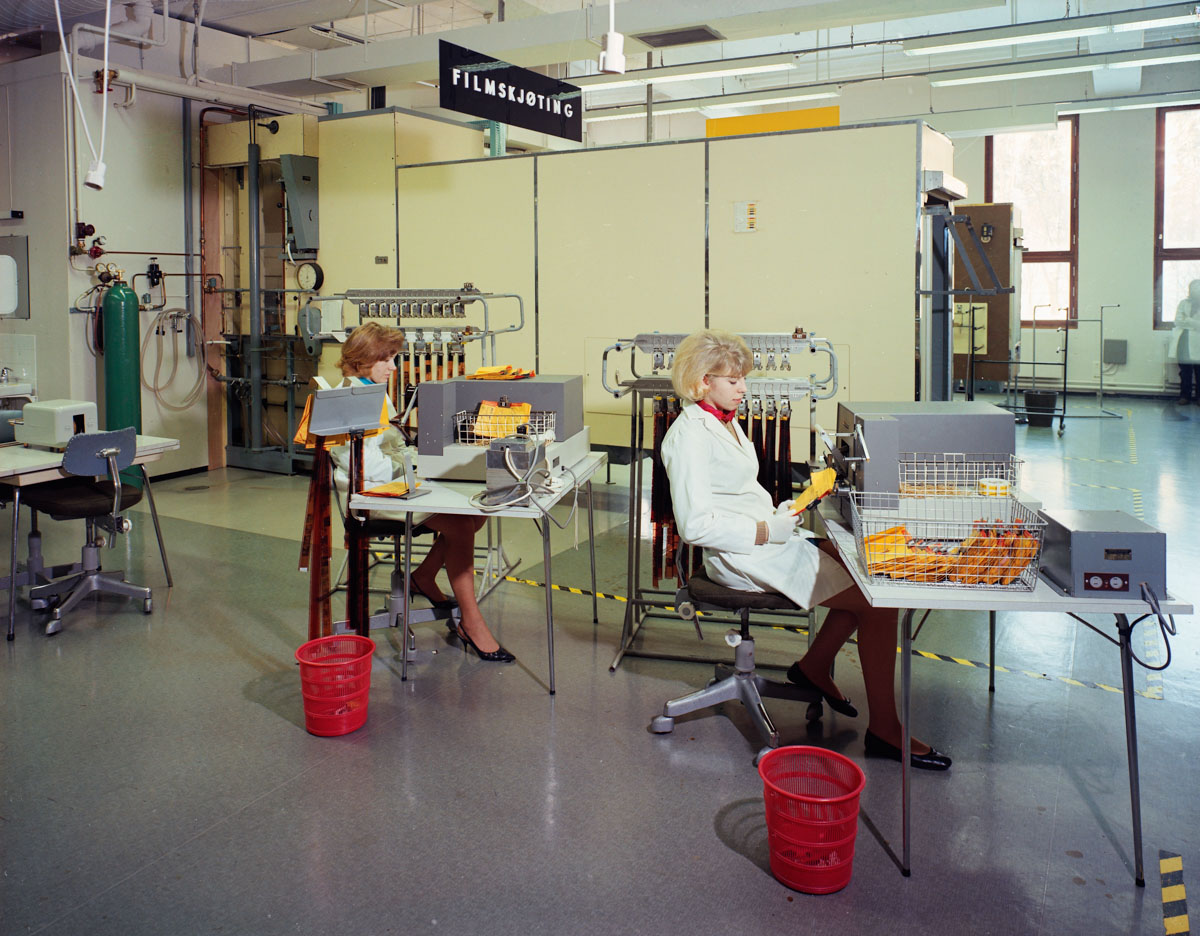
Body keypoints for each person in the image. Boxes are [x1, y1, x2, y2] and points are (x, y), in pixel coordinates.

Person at [660, 329, 951, 770]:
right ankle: (885, 731)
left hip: (765, 539)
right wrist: (766, 530)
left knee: (860, 577)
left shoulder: (722, 418)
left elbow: (735, 492)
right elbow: (696, 525)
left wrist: (783, 509)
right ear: (703, 381)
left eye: (744, 379)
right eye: (733, 380)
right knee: (879, 604)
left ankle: (813, 668)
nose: (744, 388)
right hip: (740, 557)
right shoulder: (689, 436)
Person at [333, 322, 514, 663]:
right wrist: (412, 469)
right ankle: (472, 624)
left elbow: (386, 444)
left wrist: (412, 458)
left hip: (390, 481)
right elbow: (362, 465)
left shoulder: (372, 390)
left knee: (474, 520)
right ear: (360, 360)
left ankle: (423, 576)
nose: (393, 366)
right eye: (385, 359)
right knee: (461, 525)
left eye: (394, 357)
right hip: (370, 496)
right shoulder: (352, 397)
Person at [1173, 279, 1200, 405]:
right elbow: (1178, 320)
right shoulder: (1183, 303)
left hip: (1198, 339)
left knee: (1199, 370)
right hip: (1184, 338)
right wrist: (1194, 323)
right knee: (1185, 370)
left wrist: (1188, 320)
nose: (1196, 290)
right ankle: (1185, 396)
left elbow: (1186, 321)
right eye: (1194, 288)